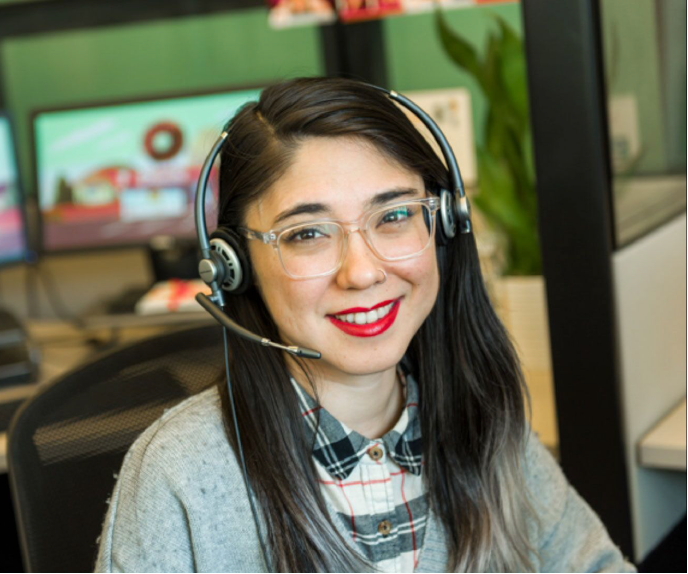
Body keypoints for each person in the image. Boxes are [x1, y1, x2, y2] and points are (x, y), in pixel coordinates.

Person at [94, 77, 637, 573]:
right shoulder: (180, 474)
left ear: (444, 224)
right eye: (308, 233)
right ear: (236, 265)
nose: (363, 272)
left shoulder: (482, 417)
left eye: (395, 215)